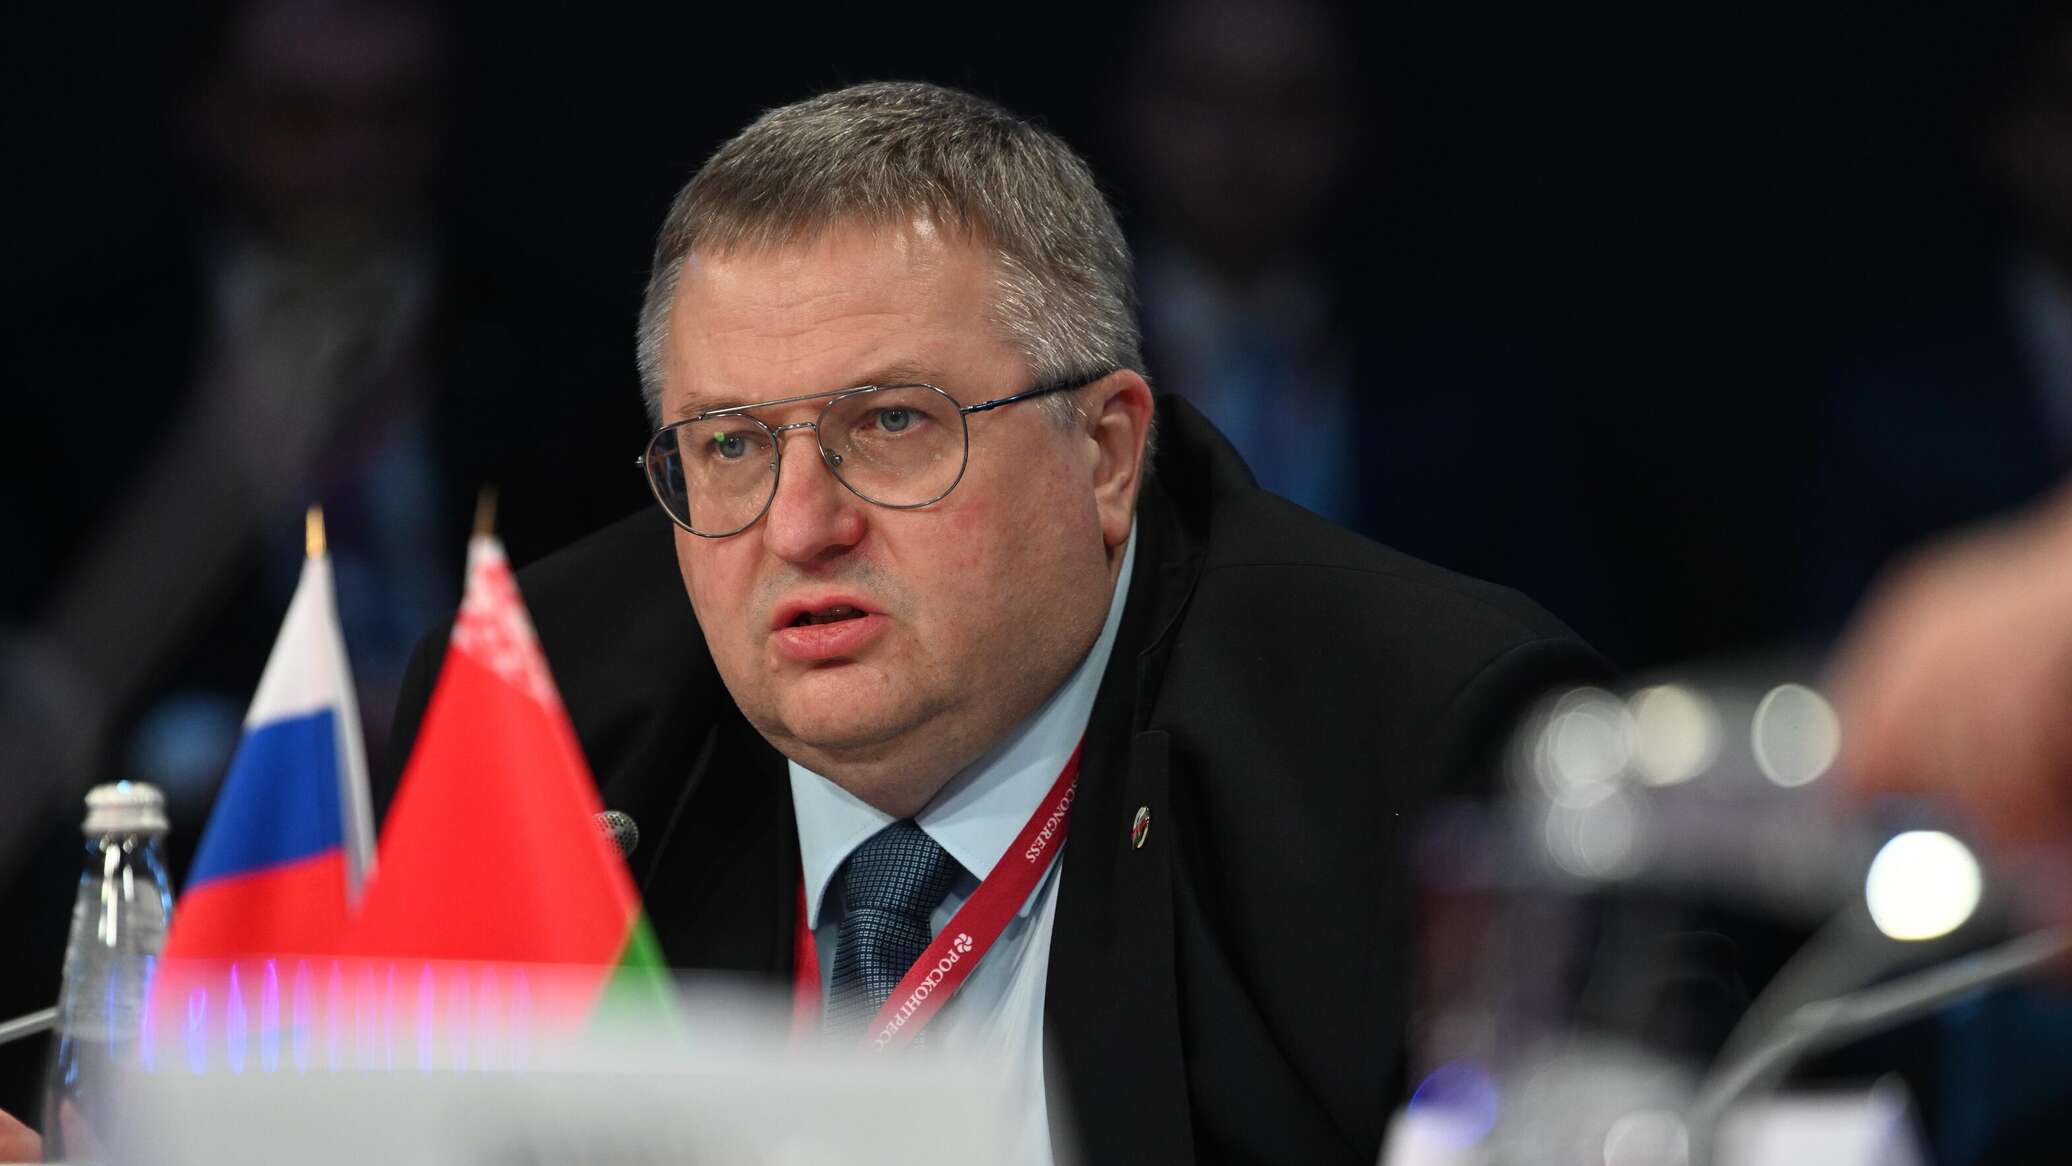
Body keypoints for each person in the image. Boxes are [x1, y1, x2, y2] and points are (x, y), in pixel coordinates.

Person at [359, 81, 1607, 1164]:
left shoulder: (1408, 745)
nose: (798, 527)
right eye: (729, 443)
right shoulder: (540, 711)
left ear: (1105, 452)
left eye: (890, 423)